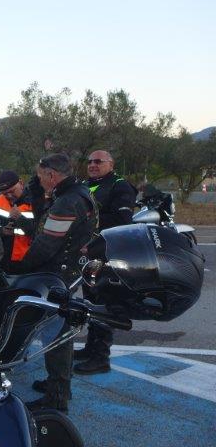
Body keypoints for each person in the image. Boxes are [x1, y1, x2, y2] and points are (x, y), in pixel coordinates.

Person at [9, 153, 97, 413]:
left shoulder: (67, 202)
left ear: (51, 175)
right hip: (68, 272)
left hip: (57, 275)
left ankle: (57, 397)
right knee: (59, 331)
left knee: (55, 334)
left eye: (40, 176)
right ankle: (57, 385)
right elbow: (44, 225)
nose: (38, 181)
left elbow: (46, 244)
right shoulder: (79, 193)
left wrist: (20, 269)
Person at [74, 150, 137, 375]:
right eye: (90, 161)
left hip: (106, 254)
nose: (92, 165)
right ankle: (90, 348)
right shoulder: (85, 184)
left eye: (98, 161)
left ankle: (101, 358)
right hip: (86, 254)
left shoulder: (120, 185)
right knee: (90, 303)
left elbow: (123, 220)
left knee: (104, 304)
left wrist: (89, 221)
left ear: (111, 164)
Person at [0, 170, 35, 272]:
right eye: (5, 193)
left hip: (27, 260)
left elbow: (40, 233)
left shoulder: (35, 202)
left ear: (21, 183)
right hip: (3, 259)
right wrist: (2, 231)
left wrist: (20, 218)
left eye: (12, 191)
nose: (9, 196)